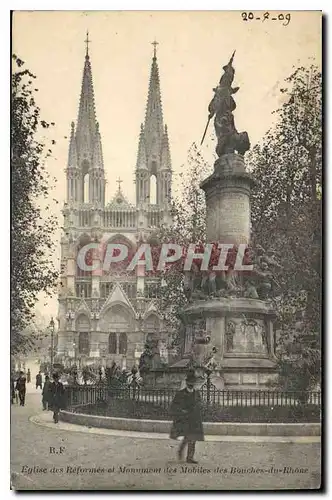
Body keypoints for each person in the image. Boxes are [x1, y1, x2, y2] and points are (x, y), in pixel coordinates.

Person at [169, 371, 205, 464]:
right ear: (187, 382)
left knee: (192, 438)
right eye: (190, 382)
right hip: (184, 419)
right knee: (187, 437)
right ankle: (181, 451)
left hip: (194, 419)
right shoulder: (181, 393)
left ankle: (190, 457)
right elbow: (174, 406)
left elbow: (200, 404)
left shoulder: (197, 393)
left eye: (193, 382)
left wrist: (200, 407)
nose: (191, 384)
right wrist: (182, 411)